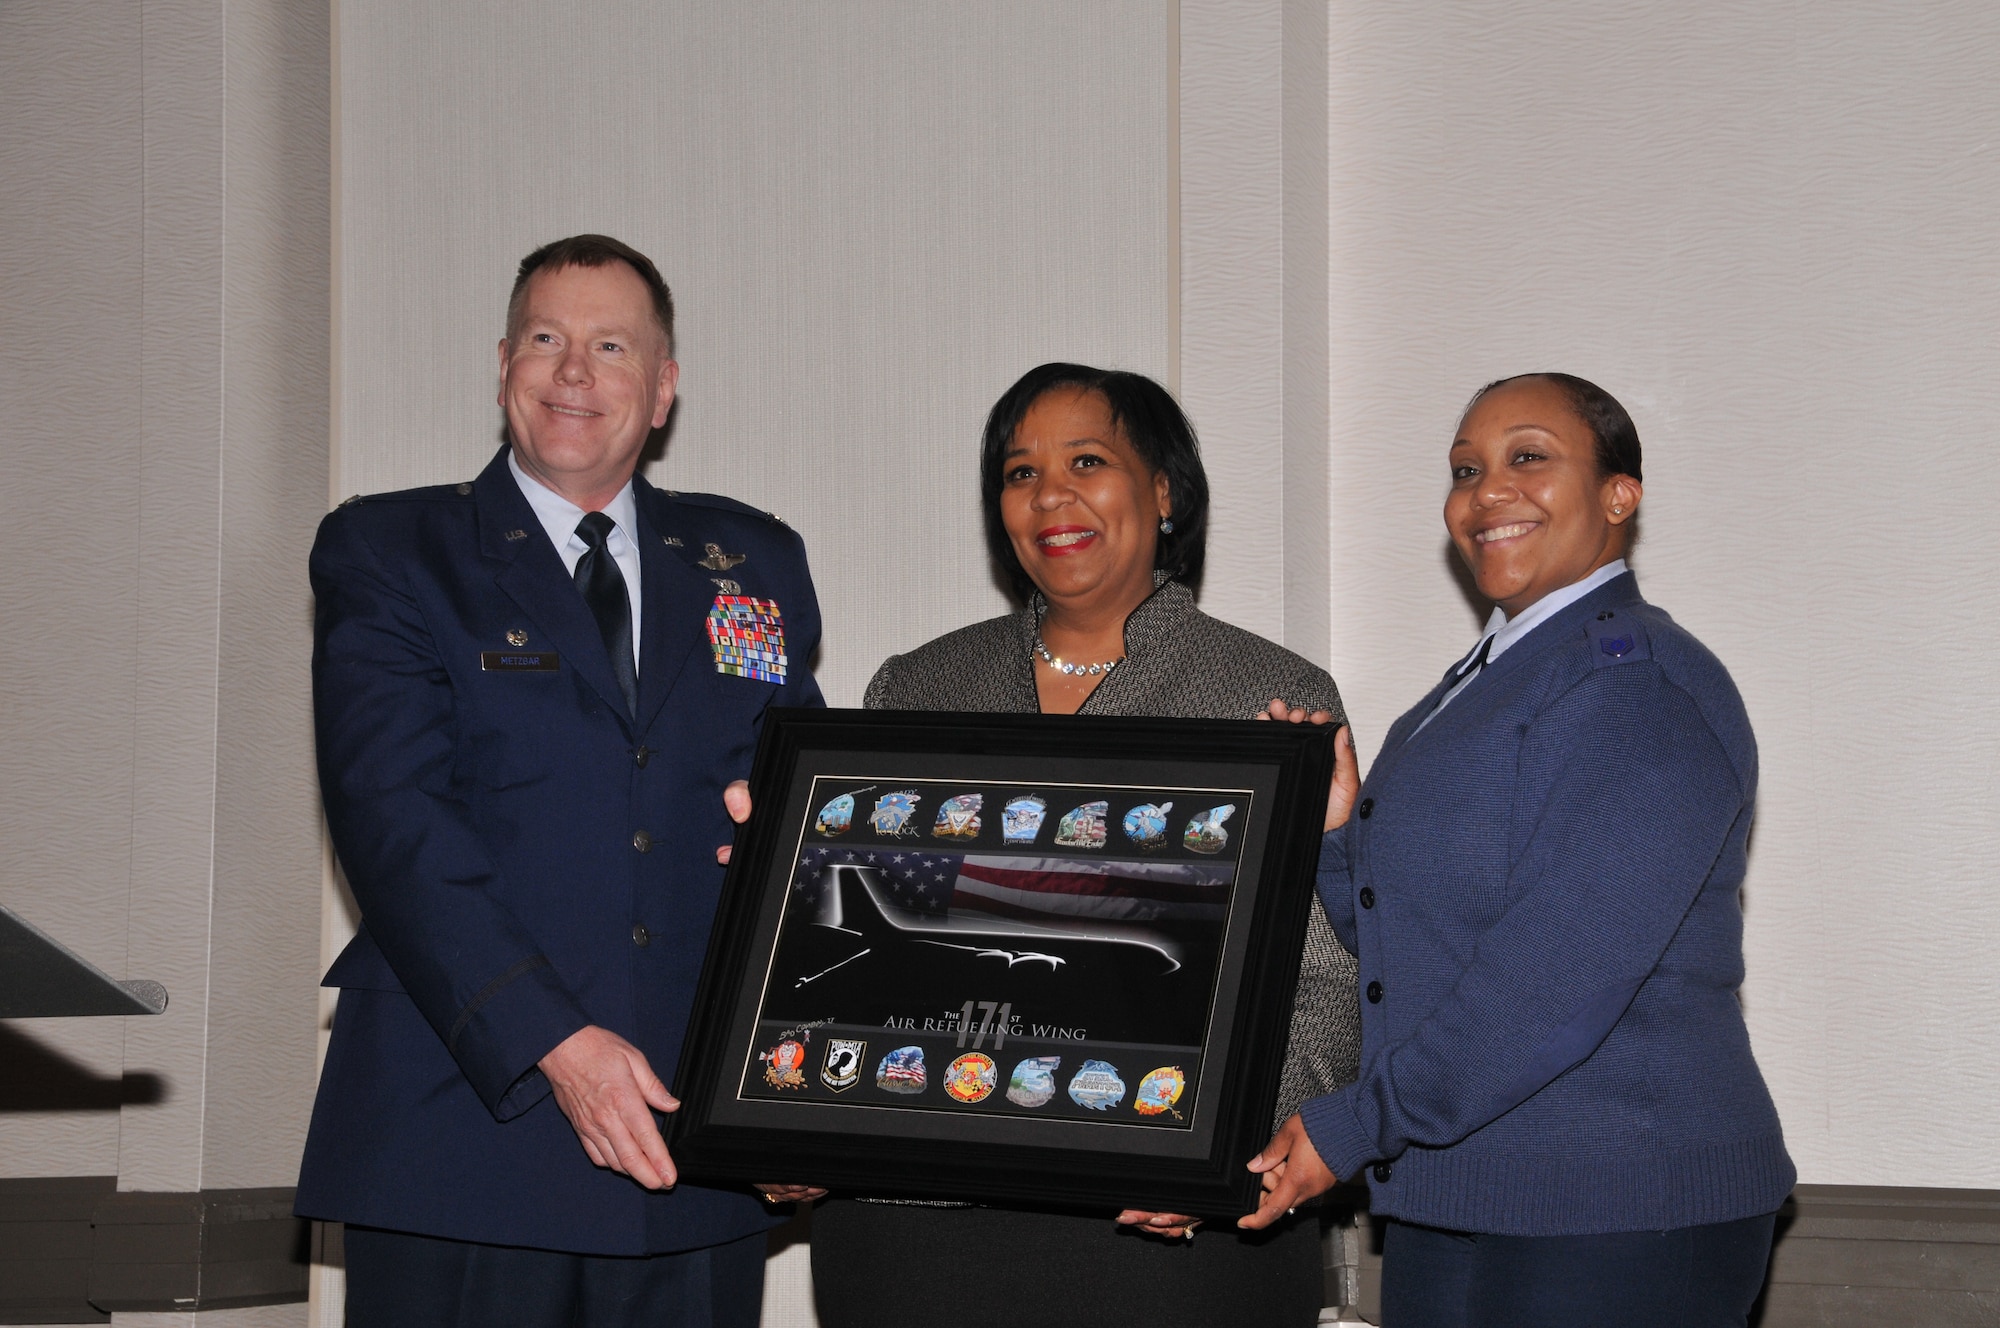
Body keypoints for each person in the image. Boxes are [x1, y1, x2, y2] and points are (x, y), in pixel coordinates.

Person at [294, 234, 825, 1327]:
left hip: (692, 1144)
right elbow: (393, 824)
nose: (574, 370)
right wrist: (555, 1041)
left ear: (662, 387)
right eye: (546, 338)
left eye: (610, 344)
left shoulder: (751, 560)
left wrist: (790, 1095)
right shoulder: (392, 549)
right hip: (464, 1130)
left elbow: (802, 822)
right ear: (504, 366)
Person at [806, 362, 1362, 1328]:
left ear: (1164, 490)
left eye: (1088, 461)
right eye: (1021, 473)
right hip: (916, 1232)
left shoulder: (1267, 695)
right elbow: (835, 949)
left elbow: (1327, 973)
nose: (1050, 495)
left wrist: (1229, 1146)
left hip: (1161, 1235)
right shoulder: (919, 684)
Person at [1243, 374, 1794, 1327]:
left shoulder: (1638, 686)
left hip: (1623, 1207)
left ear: (1620, 494)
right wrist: (1338, 834)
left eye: (1527, 457)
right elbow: (1411, 947)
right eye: (1466, 469)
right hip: (1456, 1194)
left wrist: (1354, 1126)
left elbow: (1552, 978)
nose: (1486, 491)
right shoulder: (1474, 689)